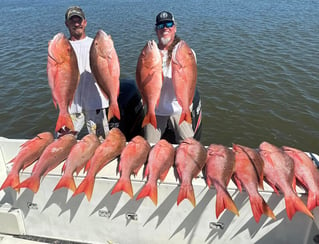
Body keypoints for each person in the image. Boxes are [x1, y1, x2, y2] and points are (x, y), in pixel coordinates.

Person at [144, 11, 198, 144]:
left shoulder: (186, 53)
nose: (165, 28)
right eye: (161, 25)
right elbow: (144, 81)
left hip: (179, 109)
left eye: (169, 24)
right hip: (156, 110)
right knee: (148, 147)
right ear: (156, 30)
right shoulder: (151, 53)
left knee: (190, 146)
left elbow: (190, 82)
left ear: (175, 27)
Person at [63, 6, 109, 140]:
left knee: (101, 143)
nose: (76, 24)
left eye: (79, 20)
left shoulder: (96, 44)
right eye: (72, 21)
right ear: (67, 24)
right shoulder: (63, 47)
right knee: (63, 143)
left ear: (85, 22)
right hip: (71, 107)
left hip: (96, 104)